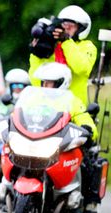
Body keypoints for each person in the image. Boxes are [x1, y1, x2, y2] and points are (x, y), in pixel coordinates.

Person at [34, 62, 99, 213]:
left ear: (60, 83)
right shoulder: (36, 100)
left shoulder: (71, 101)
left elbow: (84, 117)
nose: (45, 86)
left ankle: (87, 203)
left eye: (49, 83)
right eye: (43, 82)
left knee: (86, 163)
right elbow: (21, 115)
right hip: (38, 145)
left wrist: (88, 128)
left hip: (61, 148)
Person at [29, 5, 97, 106]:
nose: (67, 28)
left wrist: (66, 41)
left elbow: (81, 69)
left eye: (71, 25)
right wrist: (37, 52)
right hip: (50, 109)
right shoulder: (54, 47)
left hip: (74, 109)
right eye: (64, 24)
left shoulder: (87, 46)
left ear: (81, 28)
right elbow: (35, 79)